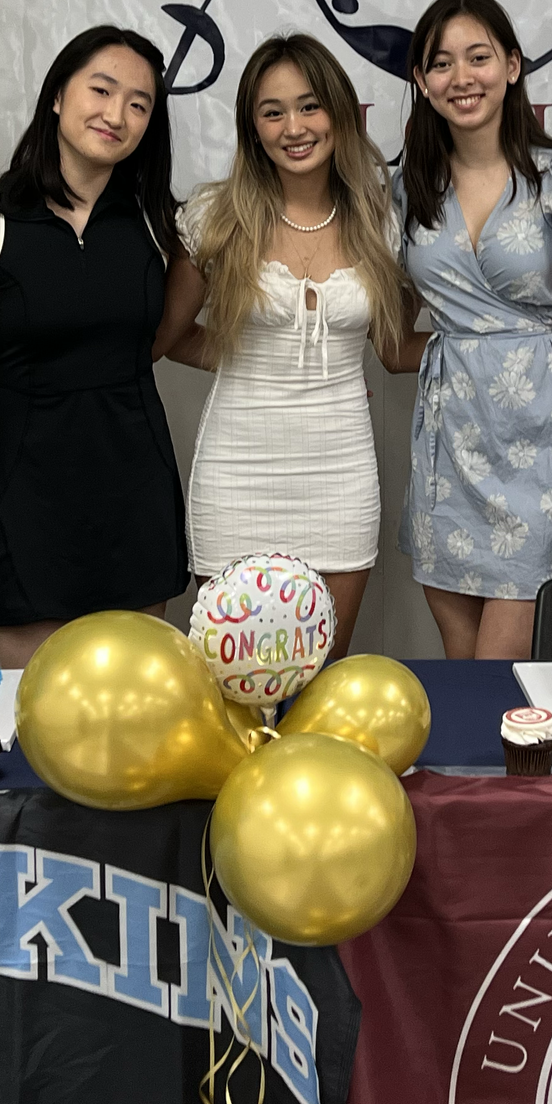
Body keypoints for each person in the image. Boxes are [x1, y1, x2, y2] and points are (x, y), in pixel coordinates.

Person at [0, 26, 187, 669]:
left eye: (139, 104)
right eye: (101, 89)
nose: (116, 114)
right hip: (22, 492)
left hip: (135, 486)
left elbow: (166, 340)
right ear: (58, 96)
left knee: (137, 700)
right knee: (31, 710)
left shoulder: (159, 223)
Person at [157, 32, 418, 658]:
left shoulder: (380, 217)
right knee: (235, 683)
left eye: (309, 106)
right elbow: (168, 339)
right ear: (253, 127)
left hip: (341, 475)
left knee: (321, 678)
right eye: (272, 112)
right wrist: (251, 358)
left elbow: (394, 349)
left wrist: (508, 341)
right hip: (236, 472)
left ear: (339, 112)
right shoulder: (216, 215)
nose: (293, 127)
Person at [396, 0, 552, 660]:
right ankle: (474, 773)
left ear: (513, 66)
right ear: (421, 83)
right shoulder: (407, 186)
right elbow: (390, 327)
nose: (462, 77)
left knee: (505, 662)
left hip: (543, 440)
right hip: (447, 442)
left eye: (479, 57)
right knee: (462, 659)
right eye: (441, 63)